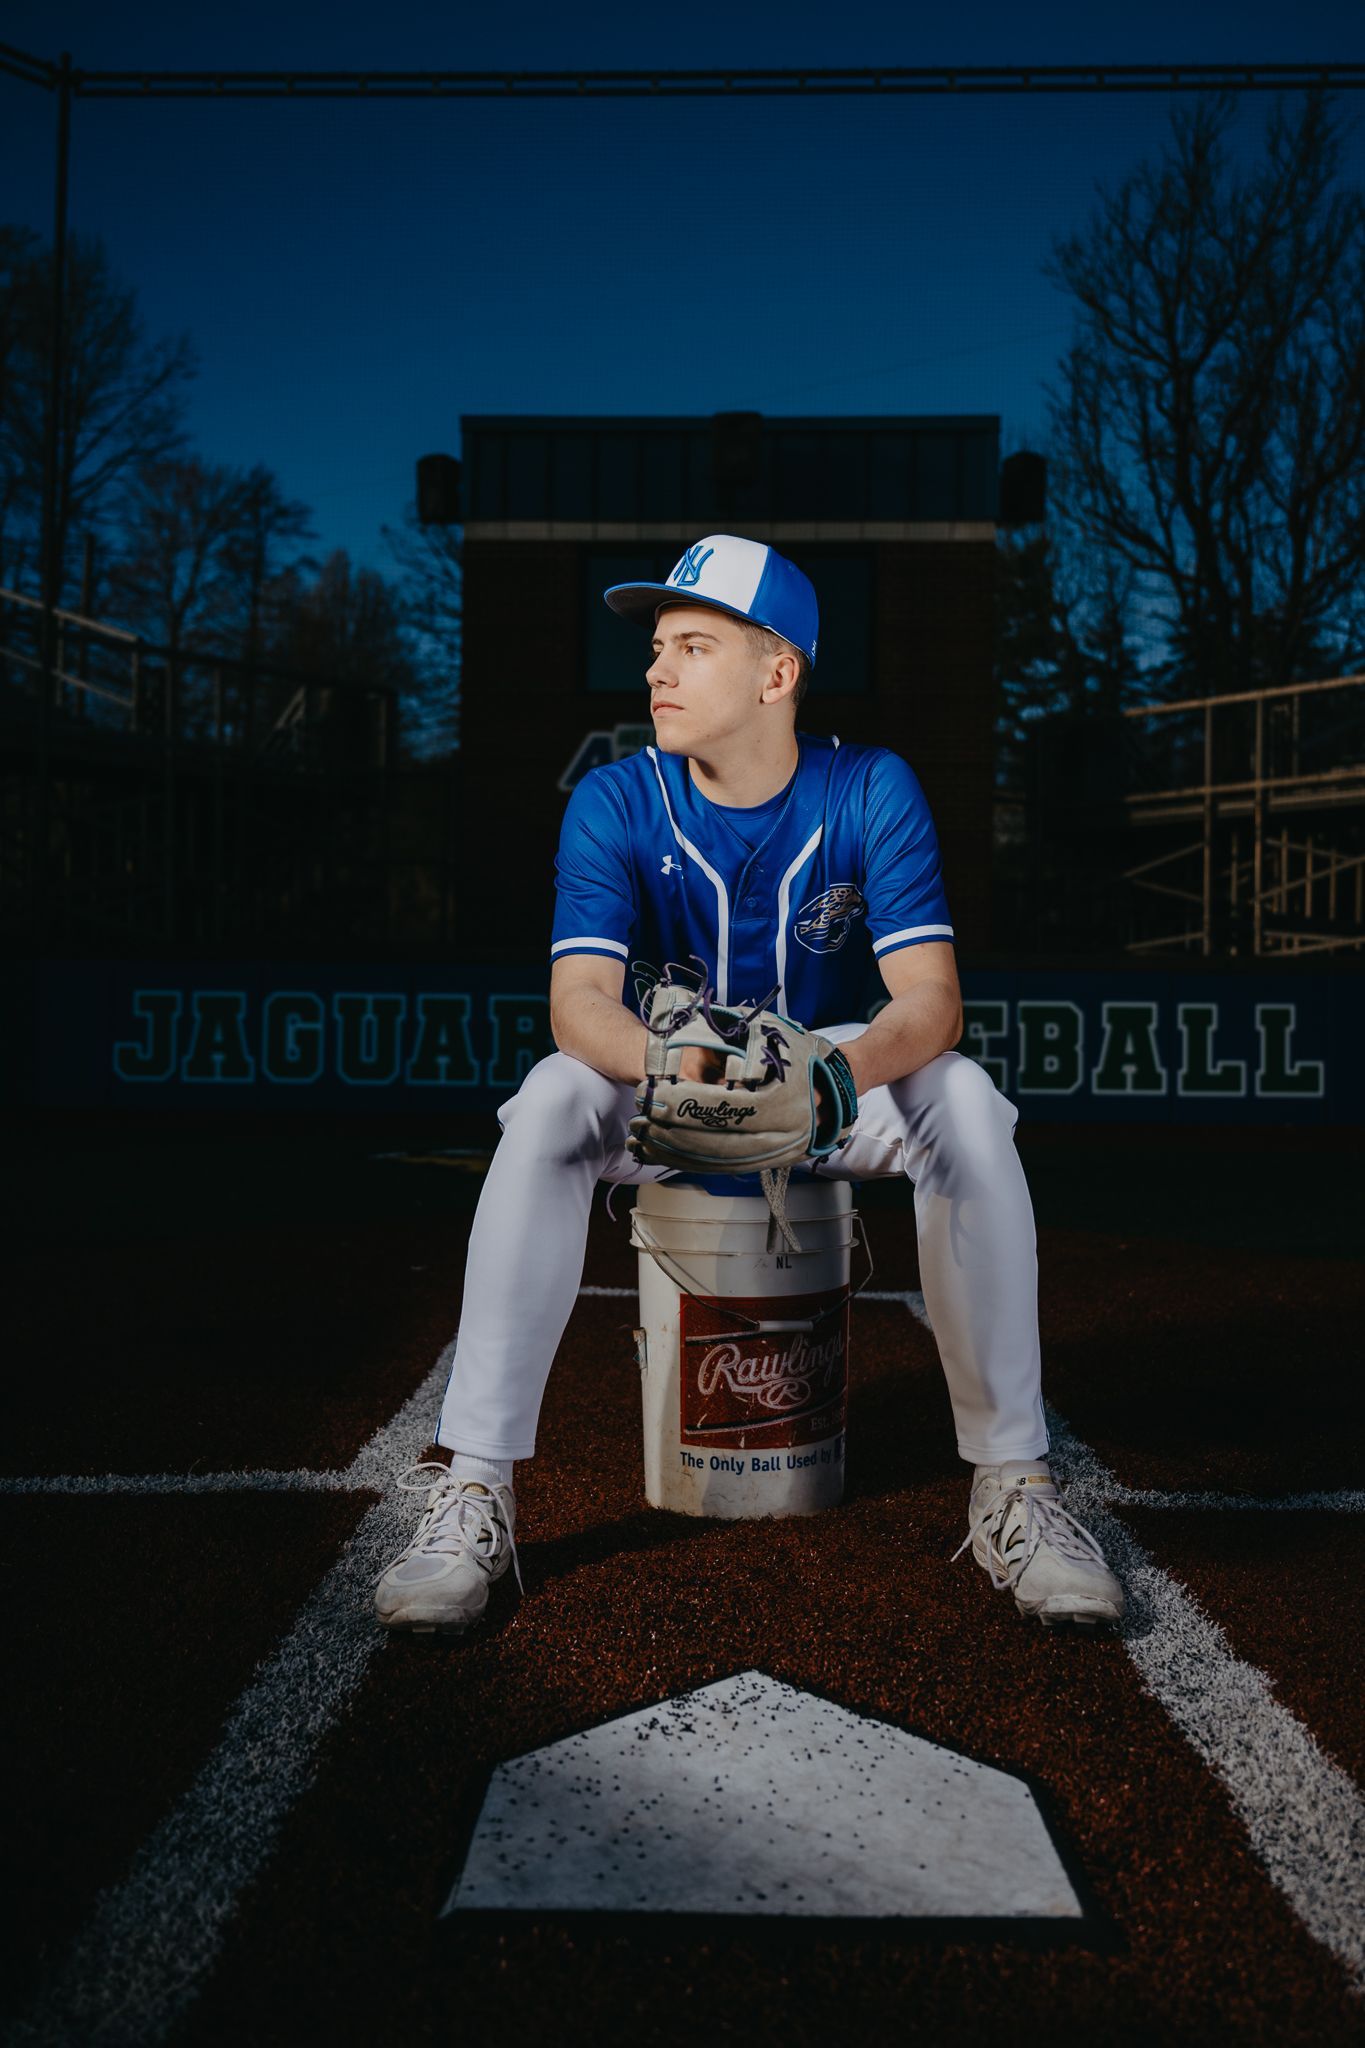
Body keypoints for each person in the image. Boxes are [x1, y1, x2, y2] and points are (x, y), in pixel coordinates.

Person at [374, 534, 1124, 1634]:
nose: (655, 670)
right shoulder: (616, 798)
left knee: (962, 1096)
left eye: (691, 644)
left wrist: (832, 1072)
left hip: (824, 1076)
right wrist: (670, 1062)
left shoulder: (870, 786)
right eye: (656, 648)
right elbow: (579, 1003)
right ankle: (475, 1485)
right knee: (547, 1100)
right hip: (667, 1075)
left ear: (777, 672)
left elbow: (930, 1002)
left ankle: (1015, 1482)